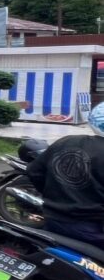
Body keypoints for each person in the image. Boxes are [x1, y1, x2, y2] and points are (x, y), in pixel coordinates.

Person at [25, 102, 104, 249]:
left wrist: (55, 197)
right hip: (94, 229)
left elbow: (34, 172)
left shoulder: (66, 141)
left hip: (53, 219)